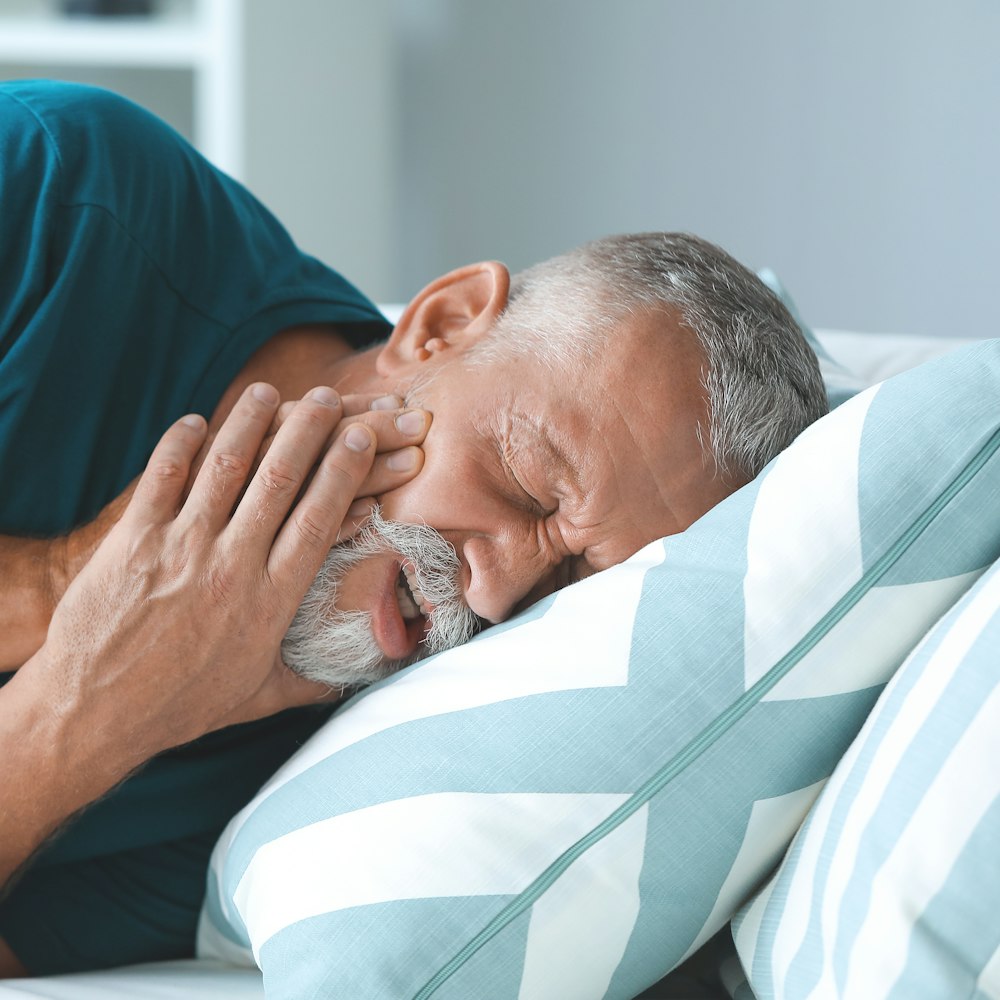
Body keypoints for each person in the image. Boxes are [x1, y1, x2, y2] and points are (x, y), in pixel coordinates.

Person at [0, 80, 827, 977]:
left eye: (566, 595)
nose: (496, 591)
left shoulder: (326, 788)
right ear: (442, 324)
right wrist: (58, 589)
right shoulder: (65, 201)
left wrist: (89, 718)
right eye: (527, 487)